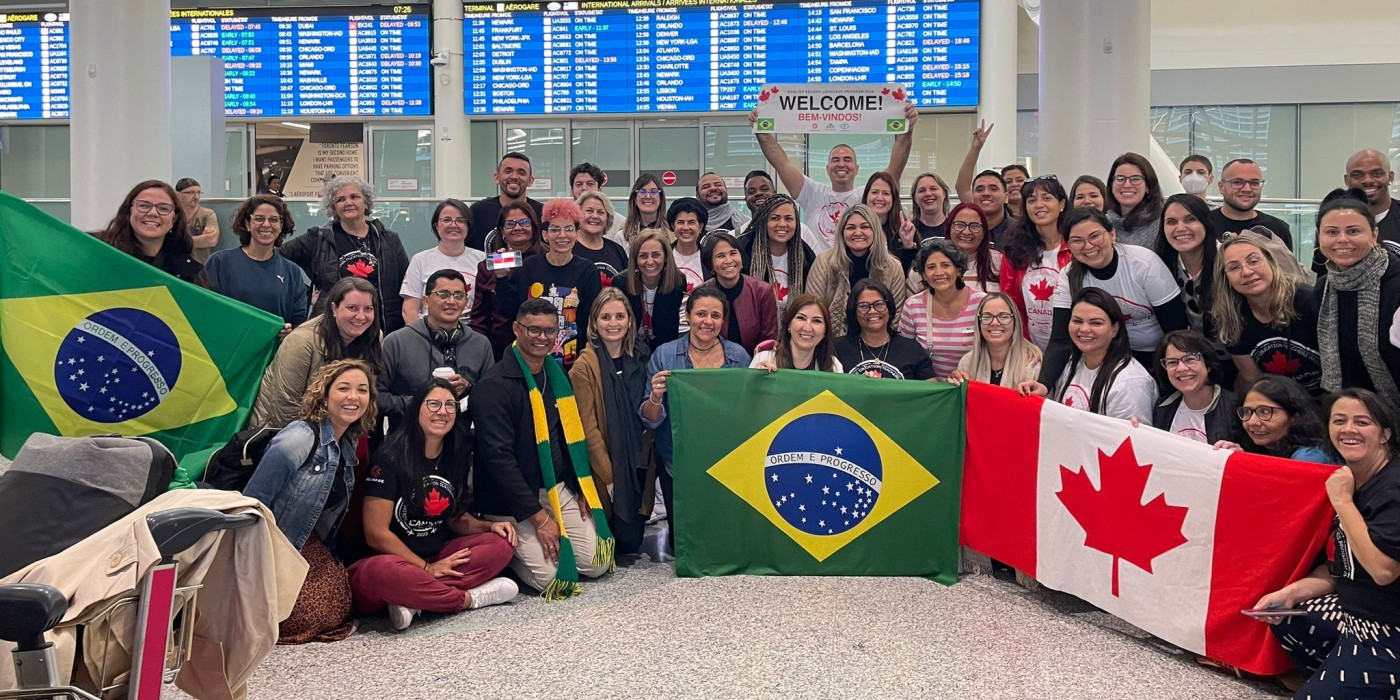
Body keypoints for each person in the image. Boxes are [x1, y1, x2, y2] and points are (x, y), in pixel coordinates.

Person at [1255, 389, 1400, 699]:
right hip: (1354, 616)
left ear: (1385, 434)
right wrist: (1289, 592)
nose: (1348, 429)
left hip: (1388, 631)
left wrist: (1343, 502)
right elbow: (1340, 567)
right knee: (1284, 615)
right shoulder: (1354, 478)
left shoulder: (1389, 488)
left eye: (1362, 422)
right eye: (1339, 420)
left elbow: (1383, 571)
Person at [349, 378, 519, 631]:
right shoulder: (389, 456)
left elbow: (455, 519)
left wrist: (488, 527)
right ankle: (469, 599)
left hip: (438, 555)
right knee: (383, 572)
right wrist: (426, 568)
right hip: (392, 561)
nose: (443, 411)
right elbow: (376, 535)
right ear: (417, 408)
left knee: (502, 544)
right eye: (434, 404)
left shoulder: (455, 453)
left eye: (450, 405)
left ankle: (416, 602)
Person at [473, 299, 616, 597]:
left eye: (550, 331)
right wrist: (539, 519)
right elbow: (498, 460)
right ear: (516, 329)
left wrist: (580, 488)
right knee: (554, 580)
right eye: (533, 330)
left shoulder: (557, 375)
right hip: (512, 500)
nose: (542, 337)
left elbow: (568, 438)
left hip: (555, 486)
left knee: (597, 563)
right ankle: (509, 552)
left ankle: (549, 538)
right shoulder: (494, 385)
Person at [243, 359, 377, 643]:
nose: (354, 397)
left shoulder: (347, 444)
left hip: (307, 542)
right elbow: (254, 500)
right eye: (344, 388)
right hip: (274, 543)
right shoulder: (299, 436)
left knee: (341, 601)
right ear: (324, 395)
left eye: (362, 390)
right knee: (313, 615)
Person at [642, 286, 753, 529]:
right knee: (680, 541)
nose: (708, 321)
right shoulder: (665, 355)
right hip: (677, 463)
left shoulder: (739, 358)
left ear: (723, 321)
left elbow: (749, 414)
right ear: (688, 316)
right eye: (701, 314)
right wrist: (656, 397)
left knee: (721, 535)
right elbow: (650, 421)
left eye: (716, 316)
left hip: (725, 464)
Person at [1039, 207, 1187, 386]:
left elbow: (1176, 329)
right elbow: (1060, 339)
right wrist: (1043, 384)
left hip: (1157, 356)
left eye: (1095, 236)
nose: (1087, 246)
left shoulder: (1144, 263)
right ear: (1069, 246)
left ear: (1112, 235)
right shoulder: (1068, 276)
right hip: (1106, 357)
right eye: (1077, 240)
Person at [749, 106, 918, 253]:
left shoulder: (867, 195)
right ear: (827, 168)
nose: (841, 164)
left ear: (857, 168)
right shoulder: (812, 192)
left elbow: (895, 169)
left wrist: (906, 131)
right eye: (835, 160)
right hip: (818, 271)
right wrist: (762, 132)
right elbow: (782, 164)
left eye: (848, 160)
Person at [569, 288, 656, 556]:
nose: (613, 323)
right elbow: (587, 427)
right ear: (594, 322)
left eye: (620, 316)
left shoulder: (642, 357)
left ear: (630, 320)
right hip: (605, 465)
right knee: (614, 540)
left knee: (631, 541)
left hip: (639, 459)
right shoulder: (584, 367)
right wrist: (609, 474)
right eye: (606, 317)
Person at [248, 277, 384, 430]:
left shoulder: (374, 337)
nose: (361, 316)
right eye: (352, 308)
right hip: (281, 433)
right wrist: (319, 445)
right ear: (334, 309)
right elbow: (285, 409)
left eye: (368, 309)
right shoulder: (301, 341)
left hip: (335, 429)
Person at [281, 175, 411, 333]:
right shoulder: (318, 238)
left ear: (366, 202)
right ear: (333, 207)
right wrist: (304, 293)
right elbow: (276, 259)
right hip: (333, 333)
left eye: (355, 197)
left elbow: (407, 285)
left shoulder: (389, 239)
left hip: (382, 331)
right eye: (340, 199)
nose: (348, 203)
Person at [379, 269, 494, 433]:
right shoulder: (396, 342)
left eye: (459, 295)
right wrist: (422, 403)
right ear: (426, 301)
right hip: (405, 444)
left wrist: (469, 388)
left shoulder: (480, 344)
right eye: (443, 294)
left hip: (460, 445)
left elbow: (492, 400)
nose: (452, 301)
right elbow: (377, 398)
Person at [1315, 191, 1400, 411]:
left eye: (1353, 231)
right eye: (1332, 232)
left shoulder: (1396, 283)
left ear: (1374, 235)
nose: (1342, 240)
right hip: (1347, 415)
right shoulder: (1324, 287)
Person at [1020, 288, 1158, 423]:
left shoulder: (1131, 383)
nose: (1084, 329)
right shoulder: (1071, 363)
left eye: (1096, 323)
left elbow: (1130, 442)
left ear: (1115, 329)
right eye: (1077, 321)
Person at [495, 198, 603, 368]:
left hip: (572, 361)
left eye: (568, 229)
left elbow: (590, 322)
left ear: (577, 234)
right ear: (545, 235)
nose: (562, 235)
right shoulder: (529, 267)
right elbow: (511, 311)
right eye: (555, 229)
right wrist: (501, 278)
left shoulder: (587, 271)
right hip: (530, 359)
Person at [1209, 231, 1321, 393]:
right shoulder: (1232, 317)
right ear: (1225, 278)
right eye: (1234, 267)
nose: (1246, 272)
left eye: (1254, 261)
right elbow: (1253, 380)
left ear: (1270, 261)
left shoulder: (1308, 300)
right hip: (1279, 400)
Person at [205, 194, 309, 334]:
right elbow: (206, 309)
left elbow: (298, 320)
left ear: (281, 226)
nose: (266, 225)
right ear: (247, 224)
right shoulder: (220, 262)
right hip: (228, 350)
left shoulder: (291, 271)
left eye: (273, 220)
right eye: (259, 219)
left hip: (272, 353)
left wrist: (290, 332)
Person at [807, 204, 909, 338]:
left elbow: (895, 316)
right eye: (851, 227)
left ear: (875, 231)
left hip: (878, 343)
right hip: (831, 343)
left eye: (865, 227)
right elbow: (811, 309)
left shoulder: (893, 267)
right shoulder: (823, 262)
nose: (858, 232)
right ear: (842, 232)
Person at [999, 176, 1071, 347]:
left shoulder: (1076, 247)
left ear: (1061, 204)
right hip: (1029, 346)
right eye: (1032, 200)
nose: (1039, 205)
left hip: (1073, 344)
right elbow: (1011, 302)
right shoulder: (1015, 251)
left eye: (1047, 198)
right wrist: (1023, 344)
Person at [899, 240, 986, 379]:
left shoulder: (982, 303)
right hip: (929, 389)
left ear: (958, 270)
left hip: (972, 385)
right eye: (931, 267)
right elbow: (905, 354)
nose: (939, 272)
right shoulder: (912, 306)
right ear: (924, 275)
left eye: (946, 265)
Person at [469, 202, 546, 358]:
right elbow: (480, 316)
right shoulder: (489, 265)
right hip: (501, 347)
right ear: (502, 231)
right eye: (510, 224)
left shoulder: (547, 259)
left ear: (534, 227)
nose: (518, 228)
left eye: (524, 222)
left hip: (543, 340)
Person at [96, 179, 207, 286]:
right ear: (128, 211)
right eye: (144, 206)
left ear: (174, 219)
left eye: (163, 208)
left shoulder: (189, 272)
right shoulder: (96, 251)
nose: (153, 213)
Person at [400, 198, 487, 326]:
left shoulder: (483, 259)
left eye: (460, 220)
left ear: (468, 226)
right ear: (436, 226)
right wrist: (424, 338)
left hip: (472, 333)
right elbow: (409, 311)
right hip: (428, 335)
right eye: (447, 220)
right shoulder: (420, 260)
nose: (454, 225)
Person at [1212, 375, 1332, 463]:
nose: (1252, 422)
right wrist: (1241, 459)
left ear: (1295, 418)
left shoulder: (1309, 458)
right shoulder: (1268, 447)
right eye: (1247, 412)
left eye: (1265, 412)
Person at [1148, 330, 1240, 444]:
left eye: (1190, 359)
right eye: (1172, 362)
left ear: (1208, 365)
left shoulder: (1236, 408)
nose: (1181, 368)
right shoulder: (1163, 408)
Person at [836, 279, 934, 380]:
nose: (872, 311)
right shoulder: (836, 349)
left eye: (879, 304)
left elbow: (932, 391)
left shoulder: (912, 349)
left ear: (889, 309)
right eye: (863, 306)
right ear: (854, 312)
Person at [700, 231, 778, 354]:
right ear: (711, 265)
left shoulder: (763, 291)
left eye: (733, 253)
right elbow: (699, 337)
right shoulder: (700, 294)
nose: (728, 260)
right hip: (712, 363)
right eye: (720, 256)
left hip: (755, 363)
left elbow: (768, 339)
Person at [1154, 193, 1221, 332]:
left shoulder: (1229, 260)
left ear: (1206, 223)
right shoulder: (1160, 264)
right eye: (1171, 222)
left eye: (1190, 219)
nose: (1180, 228)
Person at [948, 292, 1043, 388]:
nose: (994, 323)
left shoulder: (1034, 363)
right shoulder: (967, 361)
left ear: (1015, 322)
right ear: (978, 322)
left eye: (1003, 317)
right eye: (986, 317)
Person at [738, 193, 814, 312]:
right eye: (775, 218)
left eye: (788, 218)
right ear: (764, 221)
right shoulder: (743, 249)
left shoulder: (805, 255)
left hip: (791, 325)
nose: (782, 224)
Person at [612, 229, 685, 351]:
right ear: (635, 259)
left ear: (666, 257)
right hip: (629, 348)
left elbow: (670, 327)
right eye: (643, 256)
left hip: (663, 347)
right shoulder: (621, 283)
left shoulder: (677, 282)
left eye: (656, 255)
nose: (650, 261)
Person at [1207, 159, 1293, 248]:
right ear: (1221, 187)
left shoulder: (1278, 230)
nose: (1247, 189)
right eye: (1238, 182)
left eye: (1254, 183)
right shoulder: (1204, 225)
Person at [467, 152, 544, 251]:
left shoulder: (543, 213)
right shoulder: (477, 212)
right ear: (497, 177)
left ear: (530, 181)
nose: (514, 176)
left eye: (521, 172)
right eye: (508, 171)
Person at [920, 202, 1002, 294]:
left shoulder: (1000, 262)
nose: (966, 232)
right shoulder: (928, 261)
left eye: (975, 226)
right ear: (949, 228)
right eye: (959, 225)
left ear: (984, 233)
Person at [954, 122, 1014, 245]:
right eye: (980, 189)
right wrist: (975, 149)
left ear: (1006, 197)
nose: (986, 193)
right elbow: (962, 187)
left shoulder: (1021, 231)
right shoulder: (965, 232)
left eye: (993, 189)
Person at [751, 294, 843, 372]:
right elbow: (746, 392)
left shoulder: (834, 367)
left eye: (816, 321)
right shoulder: (764, 359)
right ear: (789, 325)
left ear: (824, 332)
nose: (807, 328)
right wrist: (756, 379)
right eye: (801, 318)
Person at [862, 171, 919, 273]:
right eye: (875, 192)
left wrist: (908, 245)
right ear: (866, 196)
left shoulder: (906, 229)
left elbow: (915, 274)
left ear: (894, 199)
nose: (879, 198)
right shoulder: (857, 230)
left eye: (886, 193)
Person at [1105, 153, 1164, 249]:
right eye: (1120, 179)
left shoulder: (1163, 222)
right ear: (1111, 185)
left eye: (1136, 179)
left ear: (1148, 186)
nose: (1127, 185)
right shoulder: (1103, 224)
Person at [743, 169, 817, 244]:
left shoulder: (802, 232)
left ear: (775, 194)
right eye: (751, 192)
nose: (758, 193)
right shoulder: (738, 235)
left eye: (764, 189)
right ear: (745, 198)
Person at [573, 191, 628, 284]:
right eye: (589, 211)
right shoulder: (568, 248)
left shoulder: (617, 250)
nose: (595, 216)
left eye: (600, 212)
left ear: (607, 218)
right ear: (578, 215)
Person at [174, 177, 220, 264]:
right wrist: (200, 240)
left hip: (200, 267)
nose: (196, 197)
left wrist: (180, 243)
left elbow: (212, 240)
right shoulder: (172, 215)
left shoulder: (207, 214)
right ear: (178, 195)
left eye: (199, 192)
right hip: (173, 266)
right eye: (191, 193)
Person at [668, 197, 708, 291]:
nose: (685, 227)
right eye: (680, 222)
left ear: (701, 227)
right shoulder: (663, 256)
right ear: (673, 226)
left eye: (691, 222)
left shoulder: (709, 257)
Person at [621, 174, 669, 243]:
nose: (648, 196)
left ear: (661, 198)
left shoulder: (673, 233)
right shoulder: (623, 235)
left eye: (653, 192)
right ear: (635, 198)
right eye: (642, 192)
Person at [910, 172, 952, 239]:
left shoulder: (954, 227)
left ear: (944, 193)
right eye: (922, 190)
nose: (928, 194)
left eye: (933, 189)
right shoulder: (908, 230)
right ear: (915, 198)